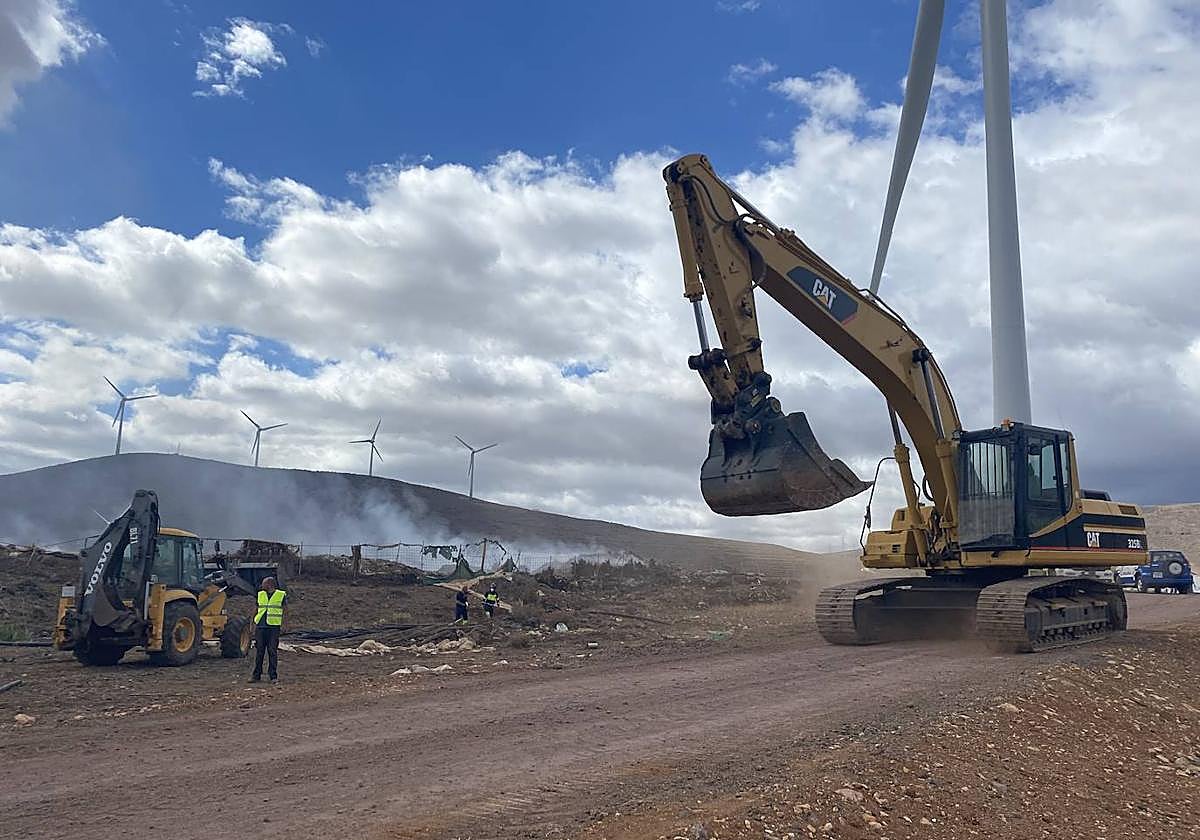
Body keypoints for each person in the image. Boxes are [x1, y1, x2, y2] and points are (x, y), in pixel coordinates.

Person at [250, 576, 287, 683]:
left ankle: (273, 676)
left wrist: (285, 624)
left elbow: (285, 610)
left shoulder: (280, 595)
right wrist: (252, 623)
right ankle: (256, 676)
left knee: (272, 651)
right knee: (259, 652)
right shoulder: (260, 594)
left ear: (270, 584)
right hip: (261, 627)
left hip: (273, 627)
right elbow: (256, 609)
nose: (262, 586)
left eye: (264, 584)